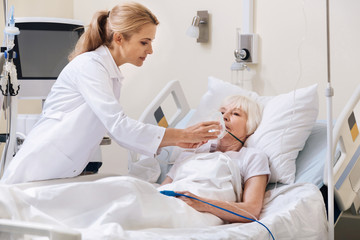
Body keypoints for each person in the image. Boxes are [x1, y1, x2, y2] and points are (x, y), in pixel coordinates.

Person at [0, 2, 220, 184]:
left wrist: (176, 140)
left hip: (59, 171)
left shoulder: (109, 73)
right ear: (118, 38)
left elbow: (119, 131)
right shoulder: (90, 66)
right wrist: (182, 136)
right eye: (145, 42)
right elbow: (120, 127)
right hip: (38, 169)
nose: (150, 50)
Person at [158, 95, 270, 223]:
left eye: (236, 114)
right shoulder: (192, 151)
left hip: (197, 214)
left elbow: (251, 211)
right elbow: (160, 190)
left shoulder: (252, 157)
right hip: (165, 201)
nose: (224, 116)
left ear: (249, 126)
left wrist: (203, 204)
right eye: (222, 112)